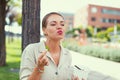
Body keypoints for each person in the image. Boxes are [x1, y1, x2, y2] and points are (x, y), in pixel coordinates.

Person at [19, 12, 79, 80]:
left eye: (62, 24)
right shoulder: (31, 50)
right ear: (44, 30)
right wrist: (39, 68)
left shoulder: (67, 54)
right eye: (53, 24)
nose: (59, 27)